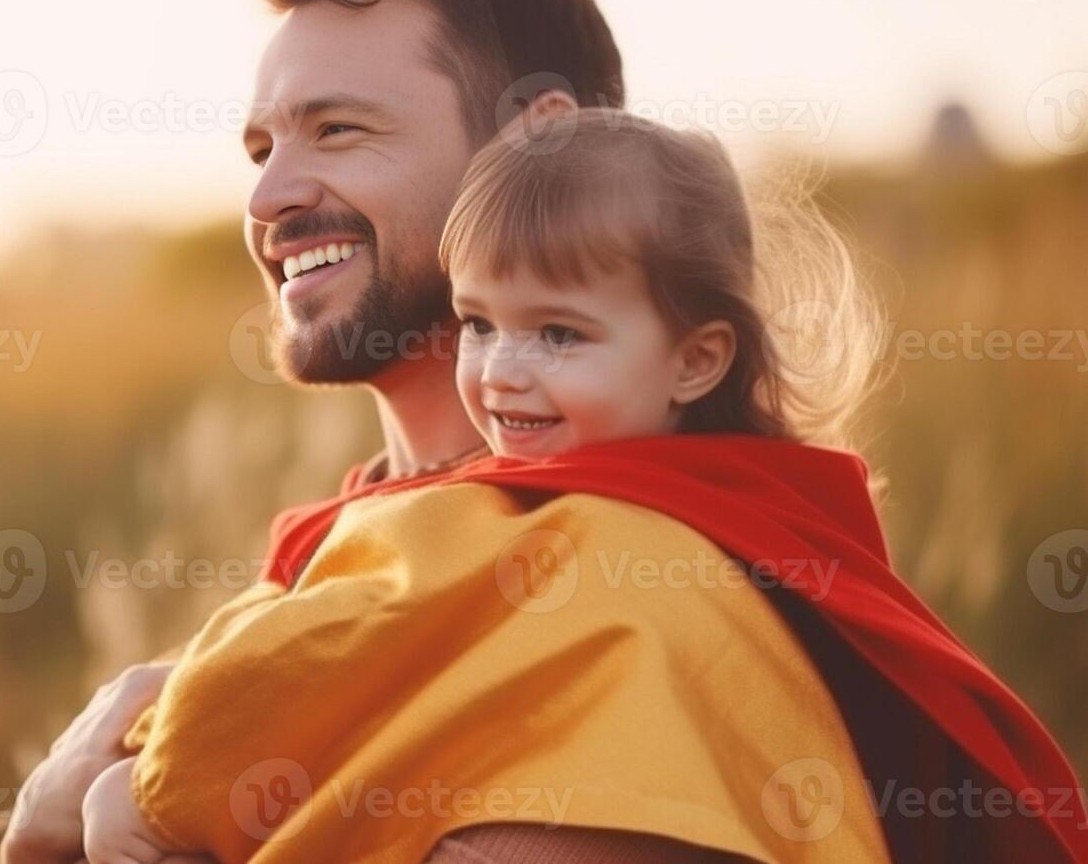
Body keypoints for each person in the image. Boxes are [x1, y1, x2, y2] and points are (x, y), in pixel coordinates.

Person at [78, 111, 1088, 863]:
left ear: (696, 359)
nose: (504, 371)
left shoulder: (537, 526)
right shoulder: (755, 514)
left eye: (558, 331)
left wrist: (143, 778)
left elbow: (298, 663)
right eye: (478, 323)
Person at [1, 0, 632, 862]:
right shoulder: (334, 565)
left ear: (536, 151)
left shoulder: (616, 592)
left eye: (335, 130)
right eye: (261, 148)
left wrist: (49, 833)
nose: (266, 197)